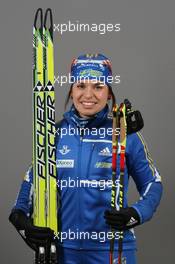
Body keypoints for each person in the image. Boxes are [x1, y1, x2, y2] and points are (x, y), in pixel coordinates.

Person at [9, 53, 163, 264]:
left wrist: (136, 213)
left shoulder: (125, 133)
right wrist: (20, 219)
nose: (88, 94)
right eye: (81, 85)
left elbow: (153, 183)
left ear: (109, 93)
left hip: (112, 249)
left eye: (98, 86)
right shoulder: (52, 135)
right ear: (71, 91)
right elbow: (31, 183)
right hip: (63, 251)